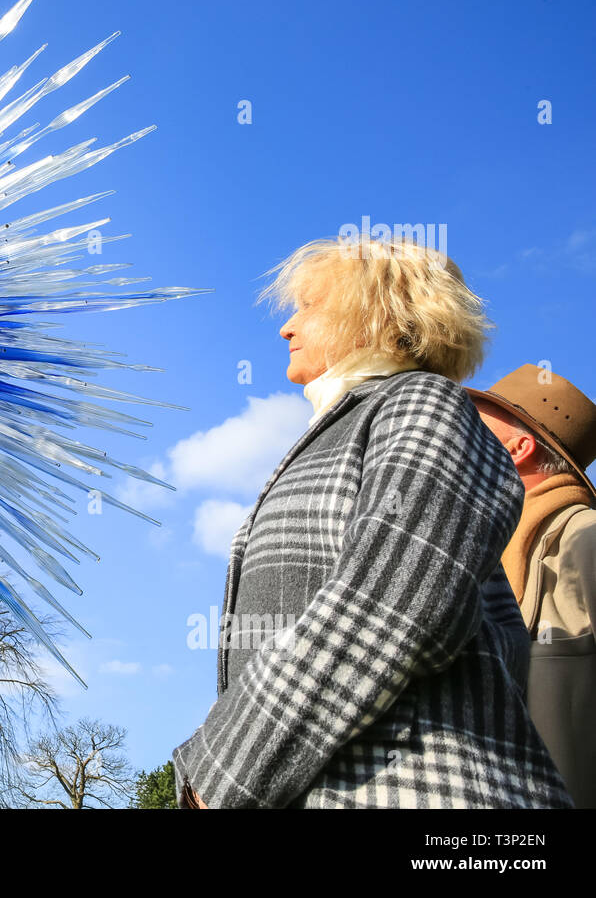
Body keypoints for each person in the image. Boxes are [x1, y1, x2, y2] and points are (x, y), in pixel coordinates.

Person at [172, 235, 571, 808]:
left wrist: (224, 773)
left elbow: (392, 601)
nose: (285, 327)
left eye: (306, 306)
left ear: (373, 313)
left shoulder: (423, 401)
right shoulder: (349, 425)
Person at [467, 365, 596, 807]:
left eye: (477, 423)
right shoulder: (486, 546)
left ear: (519, 448)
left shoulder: (584, 538)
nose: (459, 433)